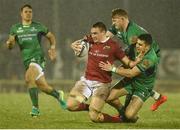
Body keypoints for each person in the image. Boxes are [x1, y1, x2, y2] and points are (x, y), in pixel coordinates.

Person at [66, 22, 143, 123]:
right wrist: (73, 45)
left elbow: (128, 63)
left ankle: (120, 120)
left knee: (94, 117)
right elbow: (78, 43)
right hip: (86, 83)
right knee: (70, 106)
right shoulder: (90, 40)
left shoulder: (114, 46)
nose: (92, 36)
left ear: (103, 32)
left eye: (95, 33)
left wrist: (136, 61)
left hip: (102, 85)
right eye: (92, 33)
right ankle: (91, 107)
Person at [5, 4, 66, 117]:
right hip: (26, 61)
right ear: (21, 13)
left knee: (28, 78)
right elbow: (10, 45)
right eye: (26, 11)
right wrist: (9, 44)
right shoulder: (15, 28)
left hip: (38, 58)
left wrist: (52, 48)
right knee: (43, 87)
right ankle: (58, 95)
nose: (28, 13)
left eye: (30, 12)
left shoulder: (38, 26)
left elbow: (51, 36)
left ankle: (35, 108)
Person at [106, 8, 167, 111]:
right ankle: (158, 97)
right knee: (131, 75)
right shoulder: (118, 27)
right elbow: (104, 38)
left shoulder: (132, 34)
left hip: (150, 56)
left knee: (132, 75)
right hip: (137, 54)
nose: (113, 23)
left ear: (122, 19)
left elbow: (131, 53)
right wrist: (87, 42)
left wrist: (115, 63)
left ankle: (125, 112)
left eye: (115, 20)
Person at [99, 34, 159, 122]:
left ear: (147, 47)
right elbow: (120, 55)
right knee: (108, 98)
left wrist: (113, 68)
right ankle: (122, 112)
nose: (137, 46)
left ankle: (130, 117)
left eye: (140, 45)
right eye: (137, 43)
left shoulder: (150, 59)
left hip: (143, 87)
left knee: (130, 115)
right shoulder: (134, 47)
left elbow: (131, 73)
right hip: (130, 81)